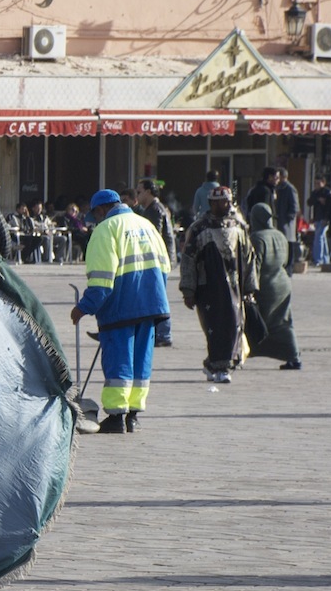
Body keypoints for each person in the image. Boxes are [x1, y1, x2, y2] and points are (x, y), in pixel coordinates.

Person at [69, 190, 170, 434]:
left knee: (119, 363)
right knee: (140, 362)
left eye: (95, 214)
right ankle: (133, 416)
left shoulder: (105, 231)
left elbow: (102, 281)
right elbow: (165, 268)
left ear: (101, 210)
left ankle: (115, 418)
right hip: (150, 306)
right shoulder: (146, 225)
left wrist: (83, 308)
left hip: (120, 309)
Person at [178, 186, 257, 385]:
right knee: (213, 327)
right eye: (222, 201)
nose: (227, 205)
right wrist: (188, 289)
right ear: (212, 203)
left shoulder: (238, 226)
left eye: (229, 201)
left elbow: (249, 257)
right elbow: (188, 260)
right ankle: (214, 363)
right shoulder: (199, 228)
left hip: (234, 285)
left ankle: (223, 366)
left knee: (232, 323)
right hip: (208, 287)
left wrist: (250, 287)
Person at [246, 202, 302, 370]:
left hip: (266, 286)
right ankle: (293, 356)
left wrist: (249, 289)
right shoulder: (280, 235)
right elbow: (285, 261)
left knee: (255, 322)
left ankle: (244, 352)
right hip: (283, 284)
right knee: (283, 322)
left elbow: (254, 267)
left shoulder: (257, 238)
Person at [132, 180, 177, 348]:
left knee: (157, 296)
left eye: (139, 192)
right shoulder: (154, 209)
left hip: (157, 260)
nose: (137, 196)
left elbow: (152, 235)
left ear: (149, 192)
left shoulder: (155, 210)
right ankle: (159, 332)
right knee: (155, 295)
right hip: (159, 259)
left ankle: (164, 333)